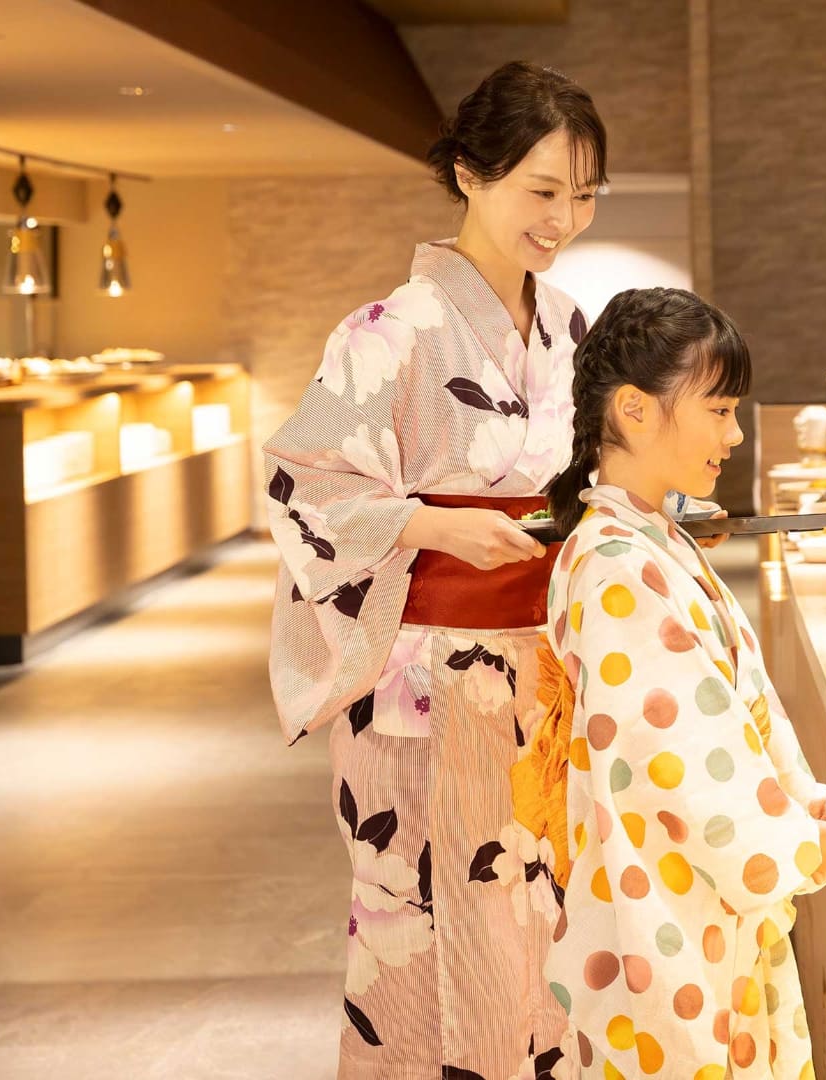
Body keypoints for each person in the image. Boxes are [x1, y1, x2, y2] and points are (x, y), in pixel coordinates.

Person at [263, 61, 604, 1077]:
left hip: (539, 673)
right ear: (468, 174)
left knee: (531, 915)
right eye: (543, 191)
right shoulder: (388, 333)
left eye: (584, 195)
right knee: (418, 922)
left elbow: (580, 480)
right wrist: (436, 529)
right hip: (422, 677)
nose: (565, 219)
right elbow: (304, 489)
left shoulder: (571, 328)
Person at [532, 287, 826, 1080]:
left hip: (686, 900)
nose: (735, 433)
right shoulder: (616, 564)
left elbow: (725, 724)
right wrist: (796, 844)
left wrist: (812, 809)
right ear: (636, 412)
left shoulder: (644, 537)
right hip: (666, 913)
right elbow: (680, 763)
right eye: (718, 410)